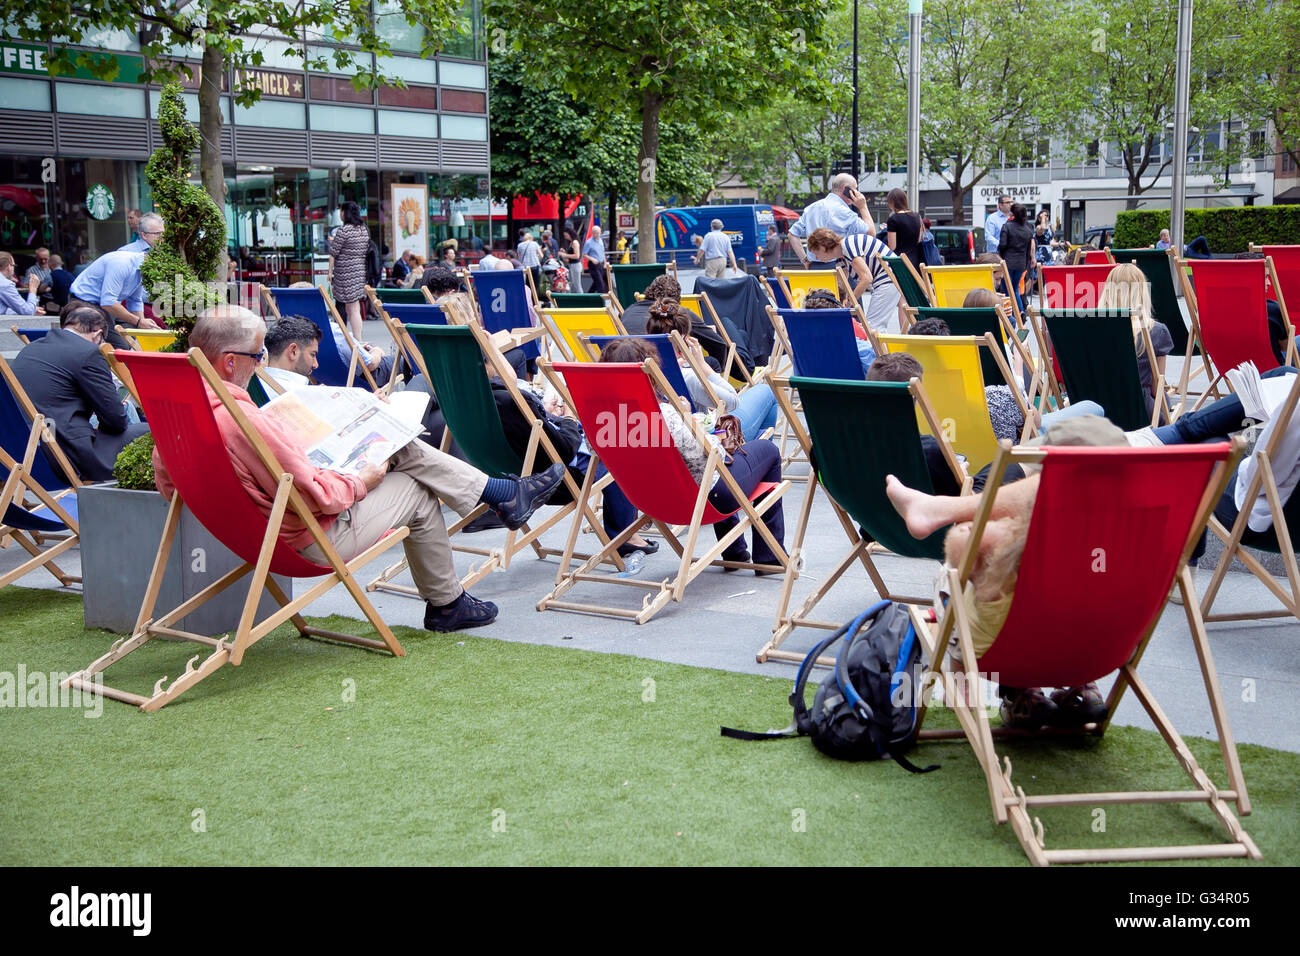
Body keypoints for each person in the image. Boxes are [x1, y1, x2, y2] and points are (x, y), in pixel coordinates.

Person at [155, 305, 567, 631]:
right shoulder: (243, 420)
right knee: (415, 489)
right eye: (257, 355)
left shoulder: (181, 410)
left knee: (398, 449)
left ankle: (500, 498)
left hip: (245, 532)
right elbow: (316, 496)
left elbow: (170, 484)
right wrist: (360, 479)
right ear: (229, 362)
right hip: (303, 539)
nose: (261, 363)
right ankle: (449, 601)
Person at [885, 415, 1129, 728]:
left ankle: (1015, 692)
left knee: (953, 576)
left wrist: (995, 523)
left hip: (1010, 656)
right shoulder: (1138, 535)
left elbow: (961, 547)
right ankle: (1082, 690)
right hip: (1098, 653)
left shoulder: (1013, 538)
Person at [598, 336, 786, 571]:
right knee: (766, 450)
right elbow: (711, 455)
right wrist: (693, 422)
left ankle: (735, 552)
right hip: (703, 498)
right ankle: (768, 556)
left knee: (720, 469)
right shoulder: (663, 415)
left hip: (653, 501)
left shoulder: (604, 419)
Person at [1126, 363, 1300, 601]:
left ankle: (1184, 568)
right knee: (1283, 376)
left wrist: (1250, 445)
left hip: (1266, 521)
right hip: (1291, 518)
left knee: (1208, 445)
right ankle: (1174, 433)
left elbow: (1260, 477)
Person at [9, 301, 149, 481]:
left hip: (21, 455)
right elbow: (116, 421)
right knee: (151, 432)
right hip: (66, 456)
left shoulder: (29, 350)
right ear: (98, 334)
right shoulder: (88, 352)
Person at [644, 299, 778, 441]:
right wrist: (702, 364)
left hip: (663, 442)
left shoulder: (640, 370)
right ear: (684, 340)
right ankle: (756, 454)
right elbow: (733, 401)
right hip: (706, 443)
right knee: (766, 392)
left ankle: (758, 452)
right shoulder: (688, 377)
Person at [1096, 262, 1174, 419]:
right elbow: (1155, 389)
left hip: (1097, 411)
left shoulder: (1090, 328)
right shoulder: (1156, 331)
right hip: (1140, 413)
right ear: (1142, 292)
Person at [618, 274, 739, 373]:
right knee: (714, 363)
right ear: (676, 301)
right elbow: (718, 345)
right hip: (667, 371)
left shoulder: (627, 312)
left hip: (632, 370)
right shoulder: (673, 312)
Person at [803, 226, 900, 333]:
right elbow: (842, 285)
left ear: (822, 247)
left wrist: (849, 302)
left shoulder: (847, 247)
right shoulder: (841, 257)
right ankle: (881, 349)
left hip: (889, 278)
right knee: (874, 326)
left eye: (816, 253)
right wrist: (843, 300)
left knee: (873, 327)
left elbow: (866, 278)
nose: (816, 258)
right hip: (891, 277)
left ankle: (879, 350)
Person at [68, 249, 158, 350]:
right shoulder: (122, 264)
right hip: (84, 302)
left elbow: (135, 301)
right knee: (120, 346)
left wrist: (143, 325)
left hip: (105, 305)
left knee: (131, 339)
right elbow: (108, 303)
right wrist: (139, 321)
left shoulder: (142, 269)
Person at [788, 173, 876, 268]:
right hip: (840, 266)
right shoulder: (845, 212)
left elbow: (792, 235)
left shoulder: (811, 208)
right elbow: (871, 234)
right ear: (845, 189)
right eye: (855, 189)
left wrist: (805, 260)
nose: (857, 193)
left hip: (814, 266)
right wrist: (863, 207)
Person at [802, 287, 876, 377]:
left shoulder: (802, 350)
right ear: (839, 317)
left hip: (814, 390)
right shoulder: (862, 349)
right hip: (852, 389)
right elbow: (876, 380)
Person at [328, 201, 370, 342]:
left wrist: (329, 272)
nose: (340, 214)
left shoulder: (344, 230)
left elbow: (333, 252)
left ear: (345, 213)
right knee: (355, 308)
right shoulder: (363, 229)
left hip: (345, 273)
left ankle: (345, 338)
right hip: (359, 271)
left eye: (341, 211)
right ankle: (358, 338)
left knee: (349, 308)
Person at [263, 314, 323, 391]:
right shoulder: (303, 393)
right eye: (312, 355)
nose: (316, 365)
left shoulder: (254, 387)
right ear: (293, 351)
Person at [997, 202, 1035, 314]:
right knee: (1015, 289)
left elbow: (1002, 245)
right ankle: (1020, 311)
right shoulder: (1028, 230)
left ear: (1012, 213)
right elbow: (1029, 248)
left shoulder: (1007, 227)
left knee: (1006, 289)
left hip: (1007, 262)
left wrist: (1001, 255)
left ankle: (1012, 313)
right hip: (1021, 263)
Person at [885, 188, 923, 272]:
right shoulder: (917, 216)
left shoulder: (893, 219)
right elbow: (918, 240)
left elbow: (892, 247)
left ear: (892, 202)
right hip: (916, 261)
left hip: (900, 262)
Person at [0, 251, 43, 316]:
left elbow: (2, 309)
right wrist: (33, 289)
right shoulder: (6, 284)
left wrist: (31, 309)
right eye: (14, 265)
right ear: (9, 266)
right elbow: (27, 312)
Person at [582, 226, 608, 293]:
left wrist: (605, 263)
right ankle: (602, 300)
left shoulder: (601, 240)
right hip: (593, 264)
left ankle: (588, 295)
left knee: (601, 281)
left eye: (598, 233)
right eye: (595, 233)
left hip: (601, 264)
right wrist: (592, 259)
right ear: (592, 233)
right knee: (600, 284)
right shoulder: (588, 242)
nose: (597, 235)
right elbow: (584, 254)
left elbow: (603, 252)